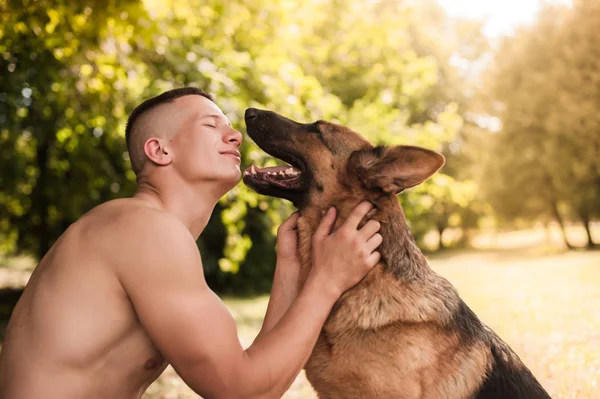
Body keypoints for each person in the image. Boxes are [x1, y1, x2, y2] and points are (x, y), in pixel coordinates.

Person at [0, 87, 382, 399]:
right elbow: (240, 391)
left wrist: (290, 269)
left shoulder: (147, 231)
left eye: (229, 127)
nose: (235, 135)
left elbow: (258, 379)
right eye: (211, 125)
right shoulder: (141, 228)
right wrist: (327, 282)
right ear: (160, 150)